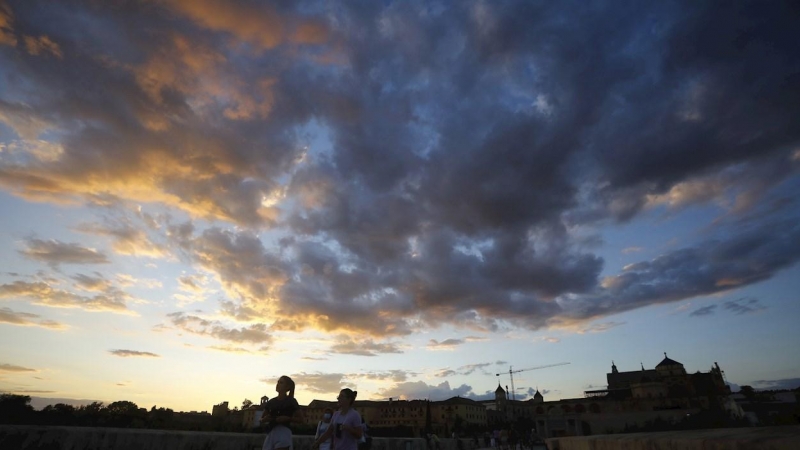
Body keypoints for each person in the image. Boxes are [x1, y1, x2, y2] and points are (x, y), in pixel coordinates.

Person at [261, 376, 303, 450]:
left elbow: (301, 419)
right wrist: (265, 419)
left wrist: (288, 419)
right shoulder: (271, 402)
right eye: (278, 382)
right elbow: (261, 419)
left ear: (287, 387)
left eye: (281, 383)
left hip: (284, 432)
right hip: (271, 432)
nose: (278, 384)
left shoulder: (291, 401)